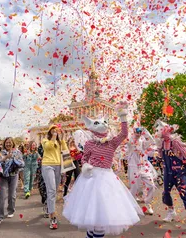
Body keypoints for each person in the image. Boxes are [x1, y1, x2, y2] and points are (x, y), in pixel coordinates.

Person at [63, 102, 143, 238]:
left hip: (106, 179)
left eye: (105, 122)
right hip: (91, 179)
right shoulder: (89, 143)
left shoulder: (111, 142)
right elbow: (84, 158)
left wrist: (123, 116)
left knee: (101, 218)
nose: (104, 125)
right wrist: (85, 165)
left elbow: (124, 134)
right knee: (91, 218)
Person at [153, 120, 186, 236]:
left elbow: (185, 154)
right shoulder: (161, 144)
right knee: (166, 193)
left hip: (179, 172)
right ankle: (171, 211)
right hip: (167, 172)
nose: (156, 132)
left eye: (158, 130)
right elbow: (161, 156)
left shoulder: (174, 141)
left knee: (185, 195)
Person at [126, 126, 157, 215]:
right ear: (134, 132)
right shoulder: (130, 142)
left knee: (151, 185)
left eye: (140, 132)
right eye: (137, 131)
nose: (139, 133)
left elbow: (151, 140)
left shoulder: (142, 142)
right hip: (133, 167)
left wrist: (145, 132)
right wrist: (133, 135)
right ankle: (131, 206)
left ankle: (148, 203)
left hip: (144, 167)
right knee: (134, 188)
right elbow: (128, 142)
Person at [41, 125, 67, 229]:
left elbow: (65, 150)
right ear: (50, 131)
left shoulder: (60, 141)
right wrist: (53, 137)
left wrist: (63, 138)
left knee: (54, 191)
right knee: (51, 190)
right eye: (53, 129)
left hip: (58, 166)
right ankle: (53, 217)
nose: (55, 131)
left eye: (57, 129)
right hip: (47, 165)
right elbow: (48, 147)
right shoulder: (45, 140)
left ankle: (48, 206)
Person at [0, 137, 24, 225]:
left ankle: (11, 210)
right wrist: (6, 157)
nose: (8, 144)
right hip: (3, 176)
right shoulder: (1, 153)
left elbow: (22, 163)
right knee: (1, 196)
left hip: (14, 175)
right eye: (6, 142)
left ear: (13, 143)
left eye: (10, 142)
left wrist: (15, 160)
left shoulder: (18, 152)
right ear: (4, 144)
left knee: (12, 195)